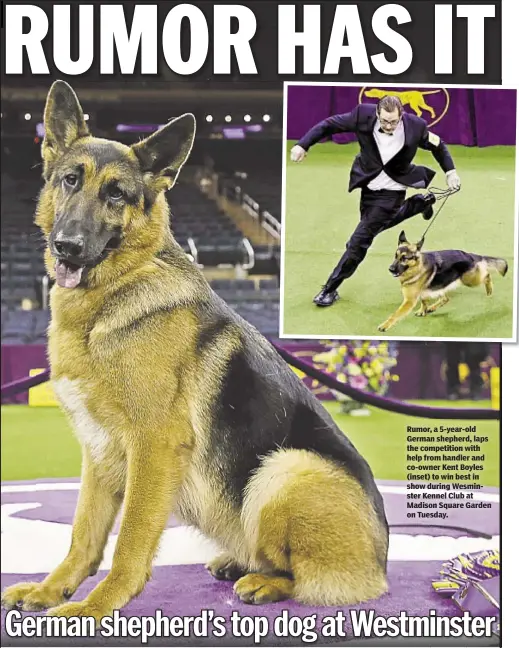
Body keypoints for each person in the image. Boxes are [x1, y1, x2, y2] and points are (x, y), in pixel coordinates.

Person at [290, 96, 461, 306]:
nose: (389, 126)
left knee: (358, 242)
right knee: (375, 225)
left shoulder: (416, 126)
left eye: (394, 122)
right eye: (384, 121)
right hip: (368, 186)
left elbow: (438, 145)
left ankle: (330, 288)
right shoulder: (362, 115)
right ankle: (420, 203)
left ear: (401, 116)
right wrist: (303, 145)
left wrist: (450, 172)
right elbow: (329, 125)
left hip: (392, 191)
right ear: (377, 114)